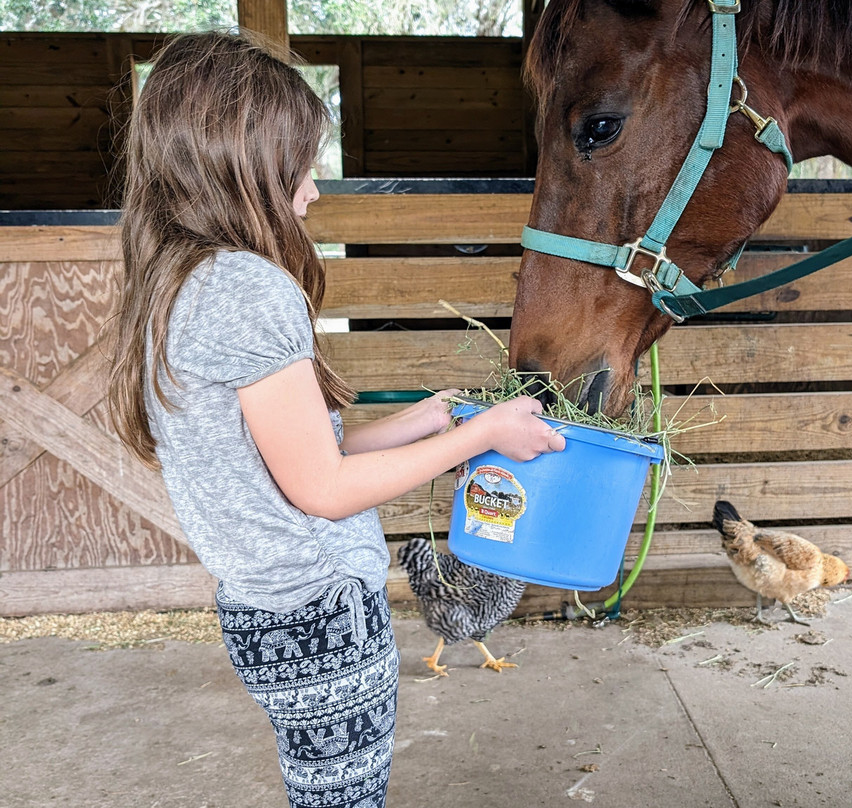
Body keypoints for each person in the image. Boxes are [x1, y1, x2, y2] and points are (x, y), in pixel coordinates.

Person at [105, 30, 564, 808]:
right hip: (322, 619)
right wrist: (483, 436)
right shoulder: (252, 290)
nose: (313, 189)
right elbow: (322, 488)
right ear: (238, 163)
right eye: (298, 165)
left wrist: (429, 419)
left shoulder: (179, 280)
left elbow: (296, 454)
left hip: (263, 613)